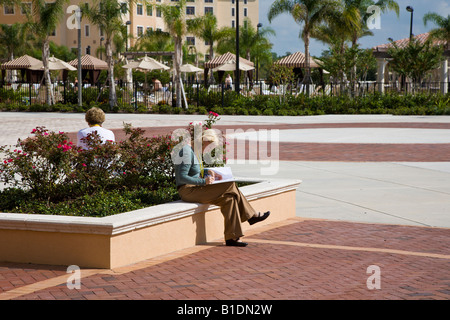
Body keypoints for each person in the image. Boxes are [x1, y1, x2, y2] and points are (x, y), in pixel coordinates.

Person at [174, 129, 270, 247]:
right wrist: (203, 181)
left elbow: (194, 172)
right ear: (204, 141)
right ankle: (251, 215)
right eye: (209, 146)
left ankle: (232, 237)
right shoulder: (187, 152)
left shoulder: (195, 151)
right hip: (187, 191)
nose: (208, 150)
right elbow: (182, 177)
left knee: (229, 199)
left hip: (195, 188)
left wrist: (208, 171)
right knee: (230, 184)